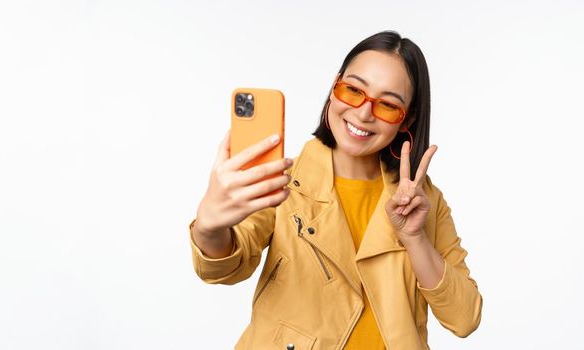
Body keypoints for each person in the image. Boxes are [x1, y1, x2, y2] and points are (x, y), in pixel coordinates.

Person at [188, 31, 482, 350]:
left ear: (406, 117)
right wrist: (209, 226)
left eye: (387, 105)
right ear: (334, 87)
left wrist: (415, 238)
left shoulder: (425, 201)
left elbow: (464, 318)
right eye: (353, 90)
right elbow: (227, 266)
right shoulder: (284, 179)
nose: (364, 112)